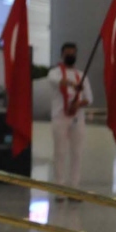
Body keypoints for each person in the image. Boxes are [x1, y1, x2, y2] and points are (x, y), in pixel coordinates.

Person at [47, 42, 92, 193]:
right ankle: (59, 187)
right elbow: (60, 82)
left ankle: (74, 187)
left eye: (73, 53)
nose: (70, 56)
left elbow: (89, 98)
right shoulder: (55, 72)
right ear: (62, 55)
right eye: (68, 53)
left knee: (77, 153)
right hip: (60, 118)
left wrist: (78, 104)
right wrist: (73, 85)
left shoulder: (82, 75)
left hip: (77, 119)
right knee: (60, 152)